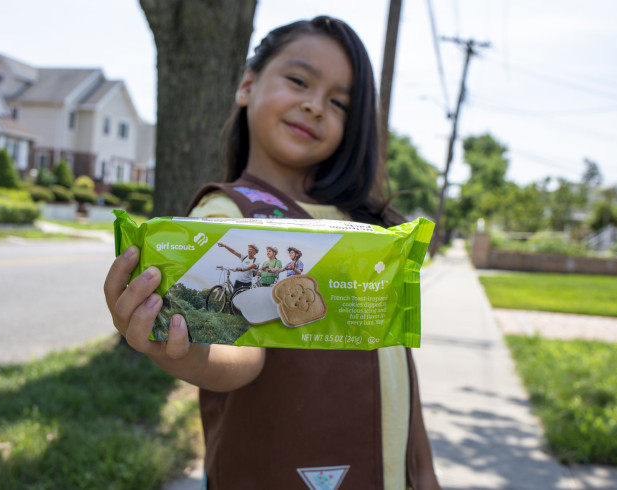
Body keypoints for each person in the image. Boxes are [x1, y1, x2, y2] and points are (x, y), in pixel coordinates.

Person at [104, 16, 440, 489]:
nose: (315, 106)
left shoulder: (365, 226)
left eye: (339, 102)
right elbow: (236, 351)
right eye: (299, 80)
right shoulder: (226, 215)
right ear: (247, 84)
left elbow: (398, 361)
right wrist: (180, 351)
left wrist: (423, 474)